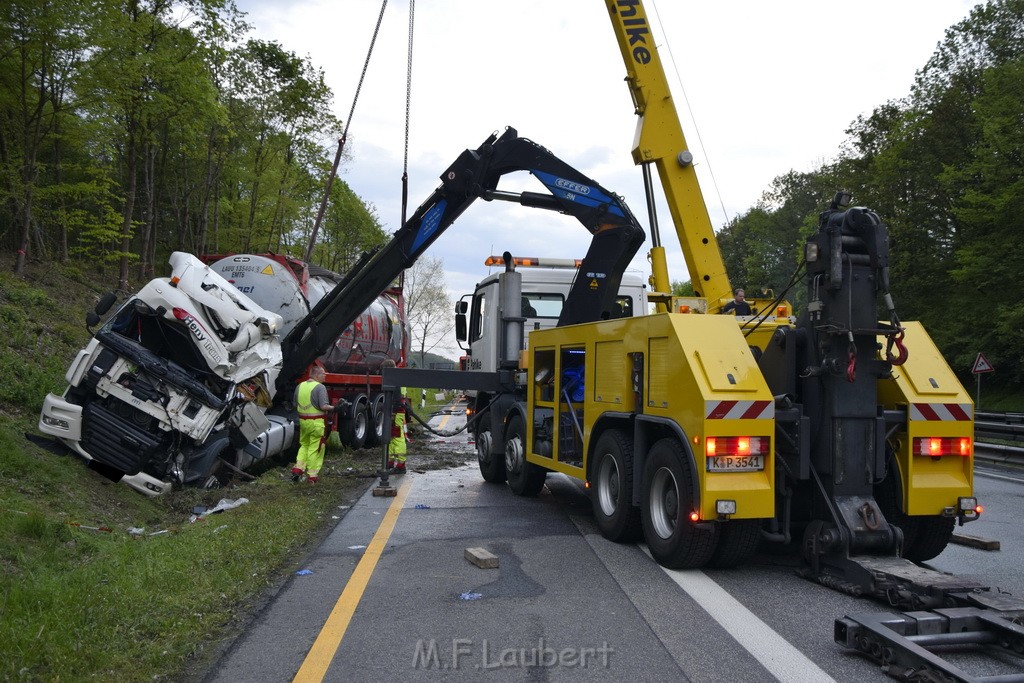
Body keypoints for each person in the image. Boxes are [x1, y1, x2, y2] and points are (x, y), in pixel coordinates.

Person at [292, 366, 334, 483]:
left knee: (304, 445)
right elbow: (323, 406)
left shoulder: (300, 386)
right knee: (315, 447)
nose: (325, 375)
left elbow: (295, 404)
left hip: (303, 421)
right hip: (316, 422)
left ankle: (298, 469)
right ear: (316, 375)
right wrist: (336, 408)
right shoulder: (320, 387)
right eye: (323, 374)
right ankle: (312, 475)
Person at [381, 359, 408, 473]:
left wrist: (392, 412)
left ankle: (401, 464)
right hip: (396, 411)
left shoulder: (395, 379)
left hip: (396, 412)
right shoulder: (398, 377)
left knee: (397, 437)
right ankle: (391, 461)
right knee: (392, 436)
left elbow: (396, 398)